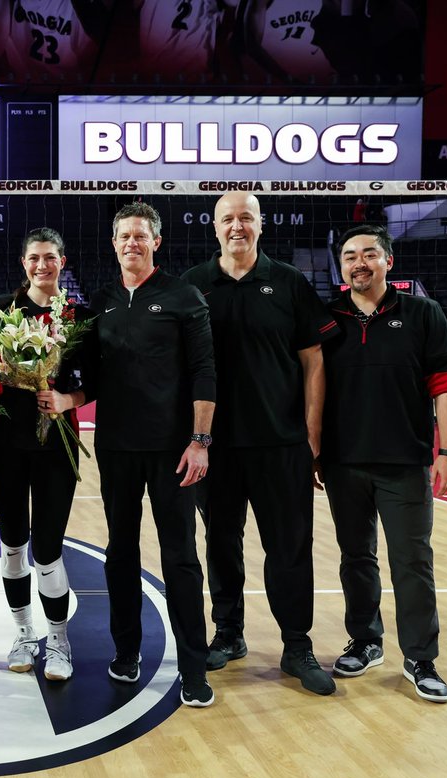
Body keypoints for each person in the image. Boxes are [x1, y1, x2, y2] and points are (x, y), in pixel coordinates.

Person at [182, 192, 338, 696]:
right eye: (228, 218)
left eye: (246, 217)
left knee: (289, 546)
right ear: (214, 227)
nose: (237, 226)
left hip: (281, 443)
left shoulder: (289, 282)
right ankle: (229, 632)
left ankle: (296, 644)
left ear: (260, 225)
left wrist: (312, 435)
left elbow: (314, 360)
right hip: (216, 447)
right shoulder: (193, 284)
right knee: (220, 543)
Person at [318, 224, 447, 703]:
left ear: (388, 262)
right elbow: (311, 388)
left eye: (369, 254)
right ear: (341, 266)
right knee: (356, 558)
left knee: (412, 562)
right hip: (343, 463)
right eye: (349, 256)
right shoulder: (326, 319)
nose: (359, 263)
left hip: (405, 462)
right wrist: (313, 451)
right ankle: (366, 640)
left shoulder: (423, 313)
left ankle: (421, 657)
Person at [89, 202, 215, 707]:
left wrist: (200, 441)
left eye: (141, 235)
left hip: (172, 452)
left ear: (156, 242)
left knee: (180, 556)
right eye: (124, 236)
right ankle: (127, 651)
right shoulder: (101, 300)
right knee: (120, 552)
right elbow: (87, 375)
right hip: (116, 448)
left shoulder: (183, 296)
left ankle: (193, 666)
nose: (132, 243)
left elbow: (204, 371)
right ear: (114, 243)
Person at [0, 228, 91, 682]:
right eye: (34, 258)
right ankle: (24, 633)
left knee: (48, 551)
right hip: (6, 445)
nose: (42, 265)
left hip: (56, 448)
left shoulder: (77, 316)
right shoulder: (1, 311)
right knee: (12, 546)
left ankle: (59, 640)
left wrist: (67, 400)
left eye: (50, 257)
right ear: (23, 263)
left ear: (62, 262)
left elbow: (97, 381)